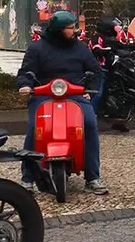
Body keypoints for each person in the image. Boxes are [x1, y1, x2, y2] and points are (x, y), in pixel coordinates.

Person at [16, 11, 107, 195]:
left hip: (76, 94)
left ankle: (92, 177)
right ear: (59, 30)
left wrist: (90, 89)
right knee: (35, 128)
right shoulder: (37, 48)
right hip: (44, 93)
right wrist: (25, 85)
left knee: (89, 123)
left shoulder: (81, 48)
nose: (75, 31)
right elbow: (26, 71)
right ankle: (28, 178)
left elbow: (95, 70)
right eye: (70, 28)